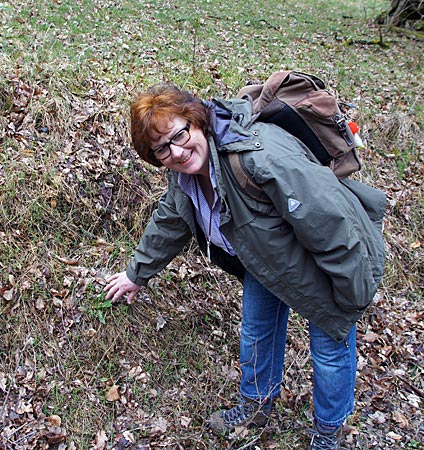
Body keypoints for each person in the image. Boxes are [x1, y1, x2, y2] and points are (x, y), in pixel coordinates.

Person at [104, 83, 386, 449]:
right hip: (267, 259)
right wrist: (135, 274)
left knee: (330, 347)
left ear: (197, 121)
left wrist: (352, 289)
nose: (176, 151)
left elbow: (329, 221)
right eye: (161, 148)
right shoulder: (186, 176)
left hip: (326, 259)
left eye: (179, 134)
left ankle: (328, 432)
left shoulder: (258, 155)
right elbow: (170, 221)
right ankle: (256, 407)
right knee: (256, 333)